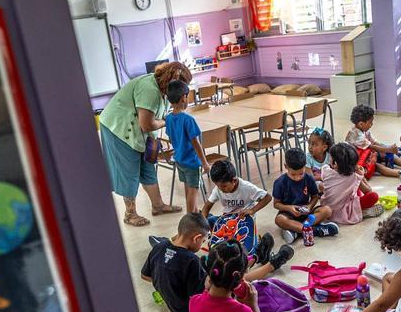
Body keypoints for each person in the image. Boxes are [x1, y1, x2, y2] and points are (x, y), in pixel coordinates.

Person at [142, 213, 294, 312]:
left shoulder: (159, 247)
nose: (202, 243)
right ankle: (272, 264)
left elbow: (145, 276)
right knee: (228, 277)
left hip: (173, 304)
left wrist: (167, 282)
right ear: (197, 238)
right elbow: (200, 295)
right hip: (187, 308)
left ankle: (257, 256)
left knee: (224, 269)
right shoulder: (190, 260)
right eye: (203, 241)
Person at [99, 61, 192, 226]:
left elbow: (150, 123)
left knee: (149, 165)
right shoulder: (149, 89)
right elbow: (147, 124)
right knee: (130, 170)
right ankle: (130, 214)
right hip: (119, 128)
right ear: (171, 81)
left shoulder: (164, 90)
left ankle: (158, 205)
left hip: (144, 132)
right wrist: (167, 121)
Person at [272, 148, 337, 244]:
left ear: (305, 166)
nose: (298, 177)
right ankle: (316, 231)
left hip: (307, 214)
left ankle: (297, 231)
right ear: (286, 167)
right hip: (289, 214)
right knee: (279, 220)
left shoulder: (309, 178)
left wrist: (309, 207)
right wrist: (290, 208)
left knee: (327, 210)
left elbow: (315, 197)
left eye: (301, 173)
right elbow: (276, 204)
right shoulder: (279, 182)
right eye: (293, 174)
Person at [163, 80, 209, 213]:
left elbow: (171, 139)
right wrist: (205, 163)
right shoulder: (188, 120)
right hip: (192, 162)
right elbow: (196, 144)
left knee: (187, 188)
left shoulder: (168, 119)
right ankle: (191, 218)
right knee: (193, 191)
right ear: (184, 97)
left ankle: (194, 211)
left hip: (179, 160)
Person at [346, 104, 401, 182]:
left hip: (367, 155)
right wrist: (388, 149)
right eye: (370, 122)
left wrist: (388, 148)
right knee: (377, 166)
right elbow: (372, 147)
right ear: (361, 124)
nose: (372, 125)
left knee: (386, 153)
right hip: (357, 161)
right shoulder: (356, 135)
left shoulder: (365, 130)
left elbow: (374, 142)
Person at [321, 142, 384, 224]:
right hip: (344, 212)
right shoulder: (355, 177)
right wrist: (361, 175)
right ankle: (363, 212)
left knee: (353, 190)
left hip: (327, 208)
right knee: (373, 196)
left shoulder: (326, 170)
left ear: (335, 163)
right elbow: (368, 191)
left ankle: (360, 211)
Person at [201, 160, 272, 224]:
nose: (220, 189)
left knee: (244, 237)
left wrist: (252, 210)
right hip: (228, 218)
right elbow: (207, 206)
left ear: (234, 181)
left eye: (224, 186)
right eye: (217, 185)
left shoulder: (247, 187)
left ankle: (262, 239)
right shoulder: (218, 189)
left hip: (245, 219)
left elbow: (267, 197)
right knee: (209, 221)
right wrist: (203, 223)